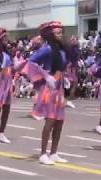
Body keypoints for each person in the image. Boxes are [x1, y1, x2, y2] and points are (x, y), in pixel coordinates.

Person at [25, 21, 68, 165]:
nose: (60, 35)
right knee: (50, 121)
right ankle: (43, 153)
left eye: (61, 33)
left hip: (60, 87)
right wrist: (45, 75)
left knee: (60, 122)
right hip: (50, 88)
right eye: (57, 33)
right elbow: (31, 62)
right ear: (50, 35)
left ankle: (54, 152)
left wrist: (65, 78)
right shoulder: (46, 49)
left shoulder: (61, 50)